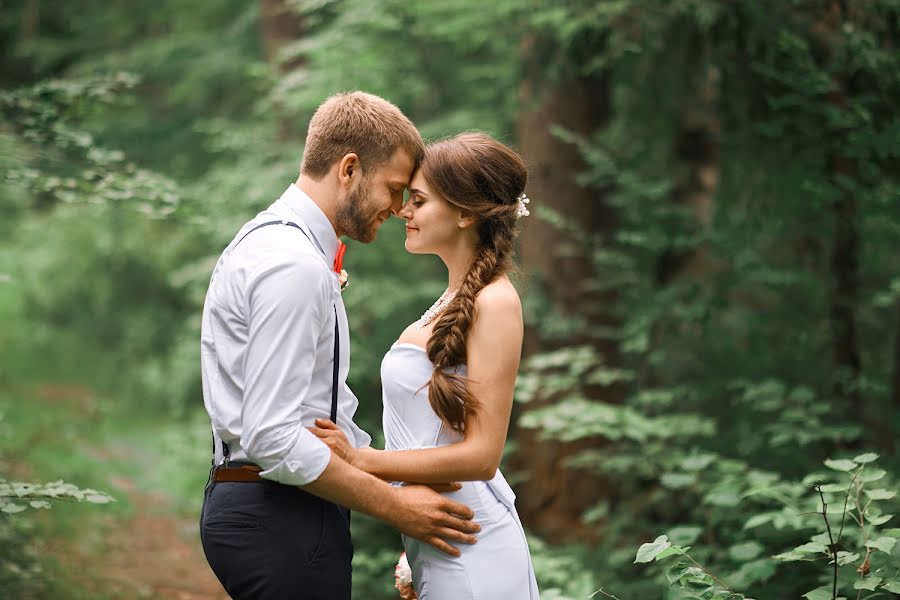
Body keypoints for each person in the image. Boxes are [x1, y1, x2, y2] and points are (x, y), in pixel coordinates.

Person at [198, 92, 480, 600]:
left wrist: (404, 489)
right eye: (395, 189)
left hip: (280, 507)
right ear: (349, 168)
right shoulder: (293, 265)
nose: (398, 210)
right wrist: (397, 509)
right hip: (278, 514)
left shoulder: (283, 245)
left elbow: (321, 415)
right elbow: (272, 436)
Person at [312, 132, 540, 599]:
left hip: (474, 543)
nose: (402, 211)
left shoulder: (495, 302)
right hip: (437, 540)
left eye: (418, 200)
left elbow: (482, 455)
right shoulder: (451, 300)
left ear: (465, 212)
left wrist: (360, 459)